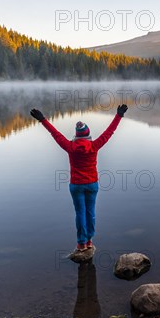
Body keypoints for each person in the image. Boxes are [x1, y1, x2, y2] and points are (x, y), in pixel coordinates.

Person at [30, 105, 128, 252]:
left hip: (76, 185)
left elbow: (55, 134)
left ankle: (81, 243)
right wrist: (118, 115)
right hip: (92, 184)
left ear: (76, 135)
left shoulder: (70, 146)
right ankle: (89, 241)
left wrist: (42, 119)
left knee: (80, 213)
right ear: (88, 135)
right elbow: (110, 132)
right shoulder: (94, 145)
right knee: (91, 212)